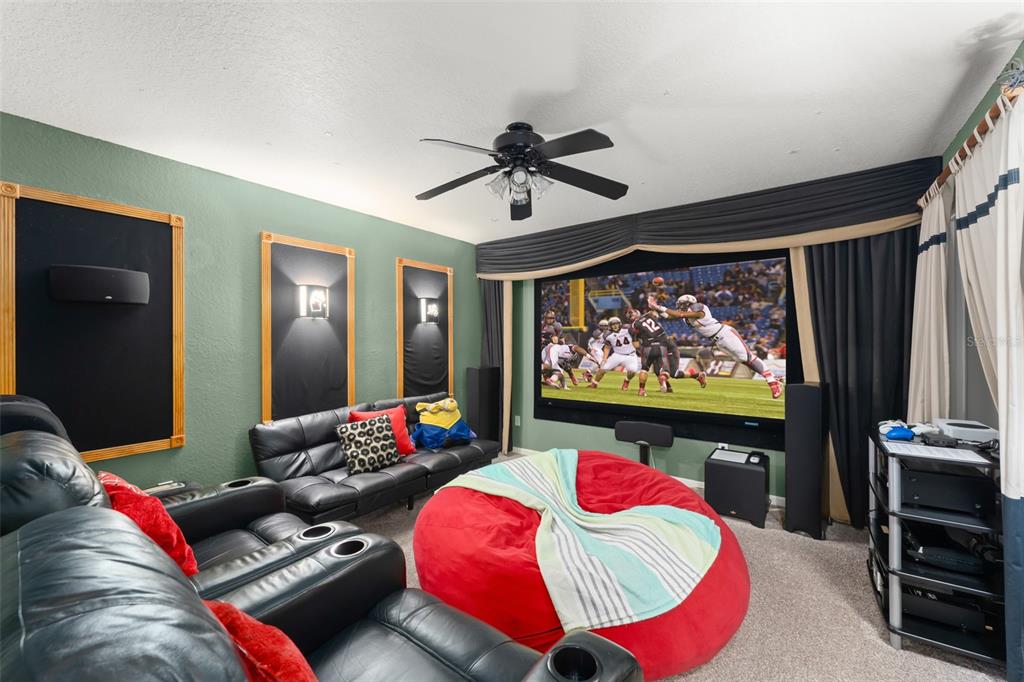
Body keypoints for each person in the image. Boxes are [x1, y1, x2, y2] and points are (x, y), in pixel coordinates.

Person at [649, 293, 783, 399]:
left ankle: (772, 381)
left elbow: (679, 314)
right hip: (718, 340)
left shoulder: (698, 307)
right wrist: (655, 307)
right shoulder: (686, 316)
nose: (679, 306)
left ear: (689, 303)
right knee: (744, 360)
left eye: (681, 304)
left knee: (749, 357)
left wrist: (659, 306)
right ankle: (772, 377)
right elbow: (669, 316)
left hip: (725, 334)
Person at [587, 317, 640, 392]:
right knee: (603, 369)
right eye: (613, 324)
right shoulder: (607, 335)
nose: (615, 326)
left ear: (620, 324)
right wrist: (604, 358)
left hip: (630, 355)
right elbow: (607, 347)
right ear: (610, 326)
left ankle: (626, 381)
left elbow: (636, 331)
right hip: (617, 355)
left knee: (633, 371)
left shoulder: (627, 329)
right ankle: (594, 383)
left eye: (616, 324)